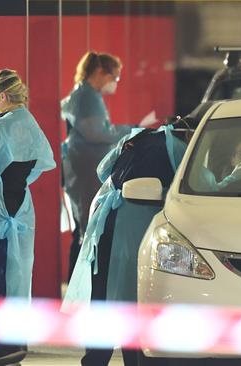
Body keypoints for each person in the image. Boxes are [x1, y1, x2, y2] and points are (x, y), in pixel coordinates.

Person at [62, 122, 189, 366]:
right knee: (132, 297)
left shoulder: (136, 137)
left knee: (102, 292)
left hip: (107, 220)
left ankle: (95, 360)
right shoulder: (178, 148)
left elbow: (103, 170)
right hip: (133, 229)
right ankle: (133, 360)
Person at [0, 69, 56, 366]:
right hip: (21, 209)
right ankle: (14, 342)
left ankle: (5, 347)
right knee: (17, 279)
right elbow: (41, 164)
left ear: (0, 96)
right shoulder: (30, 123)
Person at [61, 51, 132, 281]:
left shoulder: (85, 94)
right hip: (84, 168)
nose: (115, 83)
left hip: (81, 166)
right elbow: (95, 132)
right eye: (115, 78)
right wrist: (128, 130)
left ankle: (79, 284)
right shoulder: (86, 96)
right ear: (100, 72)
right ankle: (79, 284)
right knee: (85, 229)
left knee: (84, 226)